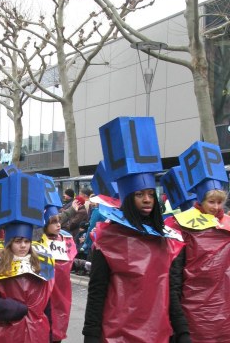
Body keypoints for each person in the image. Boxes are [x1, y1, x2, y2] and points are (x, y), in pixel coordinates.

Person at [83, 116, 185, 342]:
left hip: (157, 333)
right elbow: (97, 291)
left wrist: (182, 331)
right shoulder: (107, 239)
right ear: (128, 198)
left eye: (150, 194)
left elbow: (169, 291)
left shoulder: (165, 239)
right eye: (139, 194)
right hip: (117, 335)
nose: (147, 200)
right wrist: (90, 335)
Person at [0, 172, 54, 343]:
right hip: (6, 333)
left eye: (26, 241)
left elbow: (48, 303)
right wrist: (11, 308)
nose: (23, 245)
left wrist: (50, 333)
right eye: (18, 241)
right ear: (10, 243)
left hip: (37, 332)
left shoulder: (41, 263)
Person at [166, 141, 230, 342]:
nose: (216, 206)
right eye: (211, 201)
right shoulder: (181, 223)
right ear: (201, 200)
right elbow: (174, 274)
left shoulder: (226, 223)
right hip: (193, 309)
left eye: (220, 202)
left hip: (223, 309)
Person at [41, 212, 76, 343]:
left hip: (63, 289)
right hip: (46, 291)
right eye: (54, 222)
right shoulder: (37, 241)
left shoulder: (66, 239)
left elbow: (71, 260)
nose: (58, 225)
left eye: (59, 221)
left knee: (60, 320)